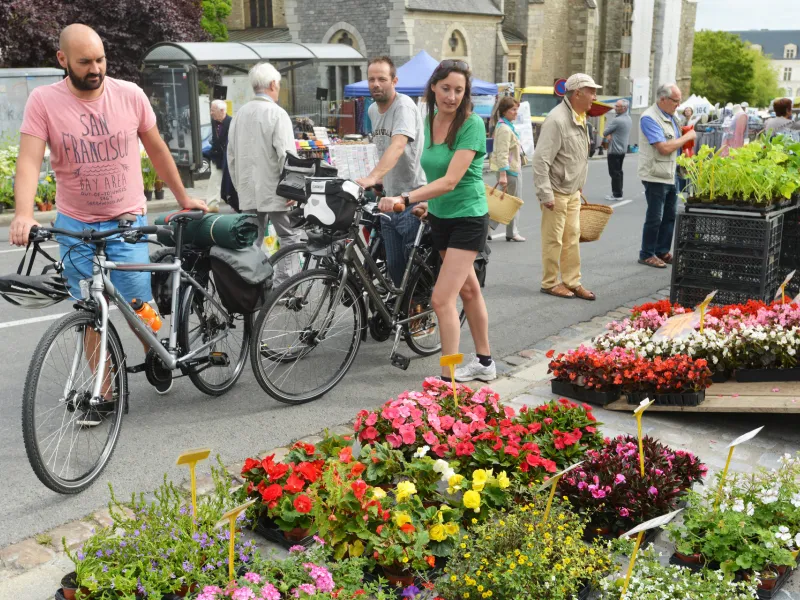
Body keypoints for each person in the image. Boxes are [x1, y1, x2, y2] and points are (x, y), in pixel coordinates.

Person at [9, 24, 207, 410]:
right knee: (90, 309)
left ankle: (155, 349)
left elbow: (157, 149)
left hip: (126, 222)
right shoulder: (43, 102)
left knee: (139, 310)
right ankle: (104, 392)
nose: (95, 68)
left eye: (100, 59)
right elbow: (30, 160)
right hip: (75, 227)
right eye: (85, 62)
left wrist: (183, 197)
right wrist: (23, 214)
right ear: (63, 60)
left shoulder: (129, 95)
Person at [378, 60, 495, 383]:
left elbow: (451, 181)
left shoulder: (471, 125)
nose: (452, 96)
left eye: (459, 90)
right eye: (446, 88)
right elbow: (431, 172)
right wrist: (424, 202)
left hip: (468, 218)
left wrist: (406, 198)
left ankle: (448, 378)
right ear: (433, 87)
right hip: (440, 217)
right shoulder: (428, 121)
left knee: (441, 299)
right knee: (469, 291)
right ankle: (484, 362)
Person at [355, 56, 427, 286]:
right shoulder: (373, 111)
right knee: (395, 271)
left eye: (382, 79)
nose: (375, 84)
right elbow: (381, 148)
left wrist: (372, 177)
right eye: (371, 79)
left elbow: (397, 145)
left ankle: (420, 316)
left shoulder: (404, 106)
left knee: (411, 272)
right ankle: (400, 319)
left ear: (394, 80)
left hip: (411, 197)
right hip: (388, 198)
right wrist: (379, 183)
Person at [227, 62, 300, 285]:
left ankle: (254, 283)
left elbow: (231, 156)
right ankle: (285, 285)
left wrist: (239, 185)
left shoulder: (240, 115)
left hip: (248, 188)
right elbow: (286, 155)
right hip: (275, 189)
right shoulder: (276, 114)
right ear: (272, 84)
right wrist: (293, 187)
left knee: (252, 240)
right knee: (289, 236)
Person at [532, 73, 601, 301]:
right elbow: (541, 160)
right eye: (591, 91)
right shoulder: (557, 119)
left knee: (572, 238)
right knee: (554, 240)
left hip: (571, 191)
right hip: (556, 191)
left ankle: (572, 281)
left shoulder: (579, 116)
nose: (594, 96)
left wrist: (579, 185)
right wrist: (545, 194)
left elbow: (575, 156)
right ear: (578, 92)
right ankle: (550, 282)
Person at [637, 83, 696, 269]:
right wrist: (687, 138)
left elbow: (676, 145)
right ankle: (647, 253)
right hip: (655, 174)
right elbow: (663, 148)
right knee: (655, 216)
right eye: (675, 101)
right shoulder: (649, 118)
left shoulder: (671, 116)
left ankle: (662, 250)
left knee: (670, 215)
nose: (678, 105)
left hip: (671, 173)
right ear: (663, 99)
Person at [489, 96, 526, 242]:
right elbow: (502, 152)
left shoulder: (505, 125)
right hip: (510, 170)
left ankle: (487, 229)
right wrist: (503, 174)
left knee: (504, 202)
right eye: (513, 109)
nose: (516, 112)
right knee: (513, 202)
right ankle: (512, 232)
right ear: (505, 111)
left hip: (509, 169)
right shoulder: (504, 128)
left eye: (517, 109)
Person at [602, 98, 632, 202]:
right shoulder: (628, 118)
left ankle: (617, 194)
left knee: (614, 173)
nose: (615, 108)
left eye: (617, 106)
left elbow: (605, 132)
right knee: (619, 172)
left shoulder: (617, 120)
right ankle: (619, 193)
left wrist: (609, 134)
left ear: (624, 108)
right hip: (622, 150)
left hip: (614, 150)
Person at [206, 99, 232, 213]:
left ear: (222, 110)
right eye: (211, 110)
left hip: (228, 158)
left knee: (232, 182)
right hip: (216, 157)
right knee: (214, 180)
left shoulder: (231, 122)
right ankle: (212, 206)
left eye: (213, 110)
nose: (211, 113)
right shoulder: (214, 121)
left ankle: (236, 203)